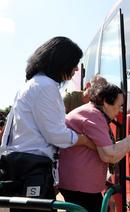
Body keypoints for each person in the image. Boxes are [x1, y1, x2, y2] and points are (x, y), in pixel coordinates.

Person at [0, 37, 94, 206]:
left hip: (17, 164)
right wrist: (85, 140)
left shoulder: (30, 84)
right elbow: (57, 135)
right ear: (61, 61)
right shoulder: (46, 86)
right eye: (73, 63)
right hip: (34, 168)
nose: (75, 69)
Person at [58, 83, 130, 212]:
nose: (120, 110)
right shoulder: (94, 115)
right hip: (81, 186)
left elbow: (106, 152)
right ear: (106, 102)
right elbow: (110, 155)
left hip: (80, 185)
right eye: (119, 106)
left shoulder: (91, 113)